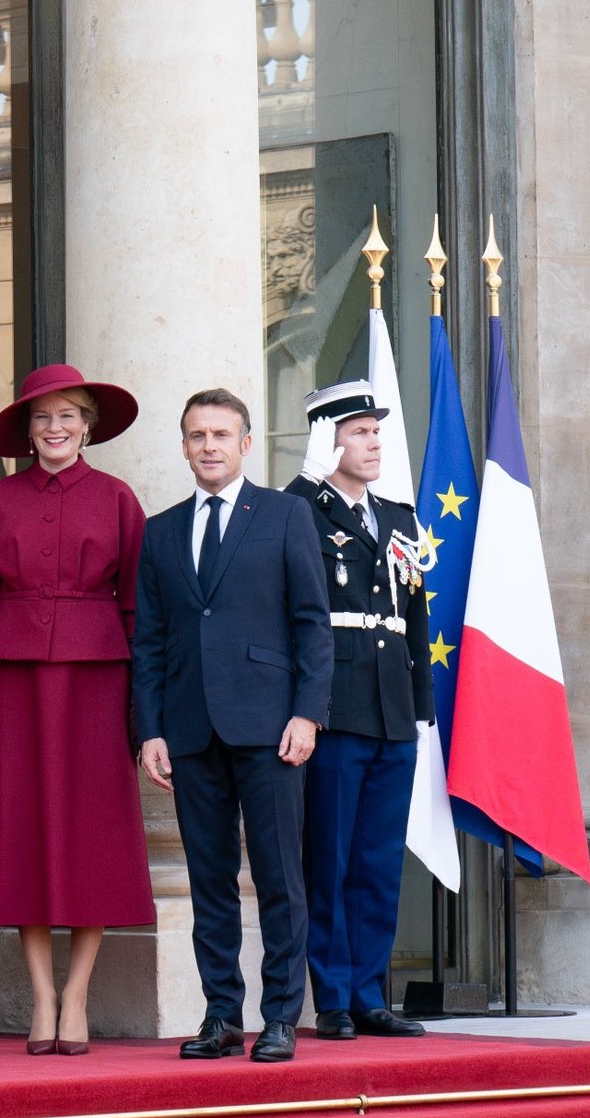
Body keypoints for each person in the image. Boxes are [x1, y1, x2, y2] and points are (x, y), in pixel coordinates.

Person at [0, 363, 154, 1056]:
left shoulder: (118, 498)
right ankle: (42, 997)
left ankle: (77, 997)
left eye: (68, 415)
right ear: (26, 431)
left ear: (88, 425)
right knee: (25, 835)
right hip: (15, 683)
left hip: (100, 684)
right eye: (42, 418)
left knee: (93, 836)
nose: (55, 428)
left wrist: (141, 710)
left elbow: (137, 607)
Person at [134, 389, 329, 1064]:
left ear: (246, 443)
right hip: (189, 732)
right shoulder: (159, 532)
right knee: (209, 879)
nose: (208, 445)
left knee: (279, 877)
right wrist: (149, 729)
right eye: (196, 435)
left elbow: (312, 622)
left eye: (221, 433)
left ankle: (279, 1016)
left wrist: (308, 713)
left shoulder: (284, 515)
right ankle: (221, 1015)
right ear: (184, 446)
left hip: (271, 727)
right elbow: (150, 640)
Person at [283, 379, 432, 1041]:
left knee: (377, 862)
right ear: (328, 438)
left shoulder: (399, 516)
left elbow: (416, 619)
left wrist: (420, 705)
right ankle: (334, 996)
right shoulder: (297, 511)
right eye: (360, 432)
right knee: (332, 859)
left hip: (391, 708)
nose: (374, 443)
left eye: (377, 432)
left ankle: (371, 994)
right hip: (334, 708)